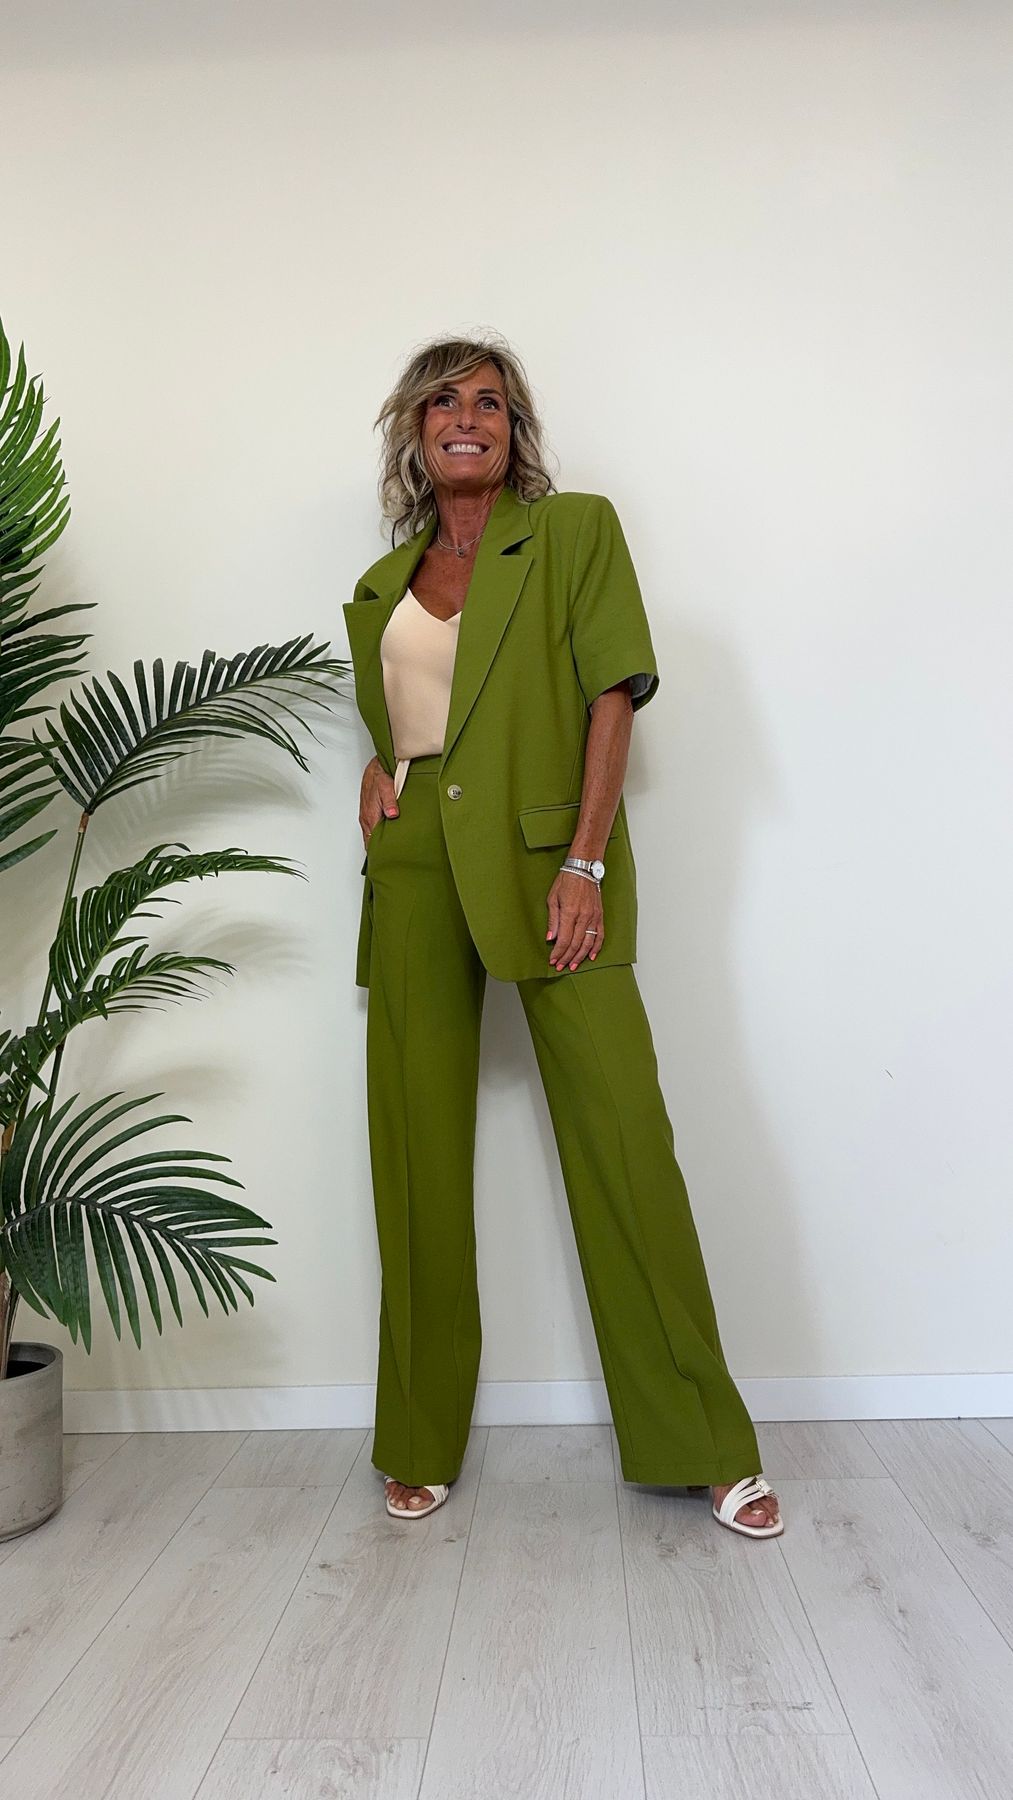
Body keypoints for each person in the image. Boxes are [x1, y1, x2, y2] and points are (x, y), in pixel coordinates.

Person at [342, 333, 783, 1540]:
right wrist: (379, 771)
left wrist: (583, 862)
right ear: (414, 432)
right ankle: (416, 1434)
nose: (465, 418)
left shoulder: (573, 531)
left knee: (624, 1144)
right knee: (415, 1159)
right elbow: (412, 722)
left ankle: (702, 1440)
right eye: (443, 402)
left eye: (488, 401)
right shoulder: (381, 586)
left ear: (514, 428)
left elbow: (608, 694)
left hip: (550, 865)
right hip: (415, 870)